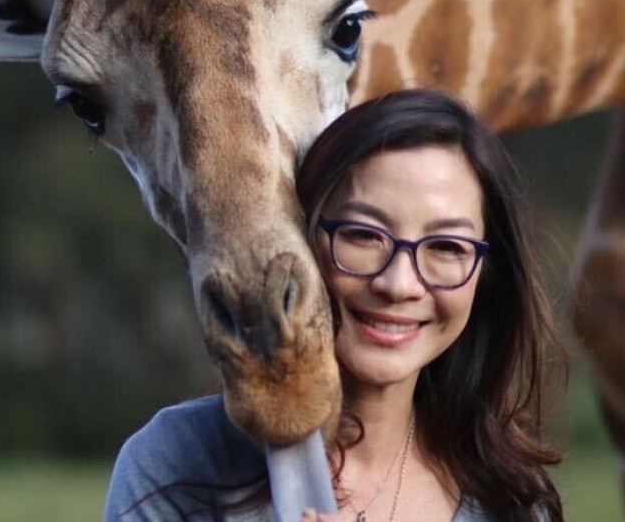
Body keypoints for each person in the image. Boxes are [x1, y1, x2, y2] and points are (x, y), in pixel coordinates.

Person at [106, 88, 565, 521]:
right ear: (300, 237)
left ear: (487, 277)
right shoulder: (179, 463)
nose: (399, 283)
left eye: (446, 247)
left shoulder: (513, 500)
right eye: (362, 235)